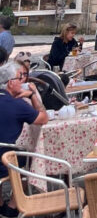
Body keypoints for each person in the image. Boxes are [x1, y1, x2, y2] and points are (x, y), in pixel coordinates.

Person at [0, 60, 48, 216]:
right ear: (10, 83)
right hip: (4, 162)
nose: (22, 81)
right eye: (19, 77)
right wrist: (33, 95)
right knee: (30, 157)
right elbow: (43, 118)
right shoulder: (17, 105)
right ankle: (15, 205)